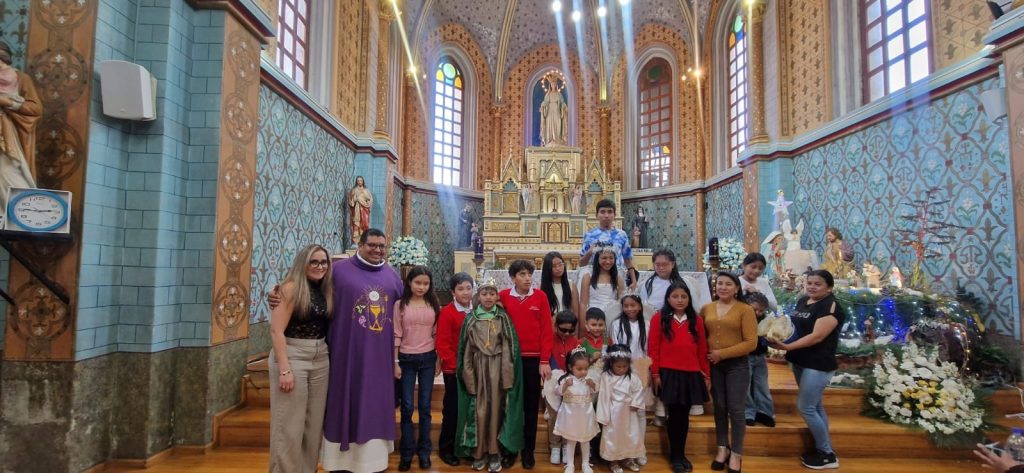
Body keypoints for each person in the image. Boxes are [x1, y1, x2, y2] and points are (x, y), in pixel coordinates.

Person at [269, 229, 403, 473]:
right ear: (360, 245)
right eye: (372, 245)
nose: (377, 250)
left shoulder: (392, 275)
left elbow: (405, 306)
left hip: (365, 359)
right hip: (340, 355)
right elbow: (301, 287)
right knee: (291, 424)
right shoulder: (338, 271)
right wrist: (275, 293)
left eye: (382, 246)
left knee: (312, 423)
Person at [769, 270, 845, 470]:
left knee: (806, 407)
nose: (812, 286)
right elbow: (796, 327)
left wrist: (787, 347)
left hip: (817, 363)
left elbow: (817, 336)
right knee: (816, 406)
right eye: (809, 282)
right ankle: (822, 448)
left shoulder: (830, 305)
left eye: (817, 284)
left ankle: (827, 454)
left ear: (829, 287)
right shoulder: (804, 300)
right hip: (800, 360)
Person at [268, 244, 333, 473]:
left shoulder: (325, 288)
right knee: (289, 424)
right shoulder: (290, 288)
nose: (319, 266)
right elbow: (276, 331)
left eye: (323, 262)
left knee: (313, 426)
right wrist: (285, 369)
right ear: (302, 263)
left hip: (320, 357)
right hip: (293, 355)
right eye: (313, 262)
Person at [456, 278, 525, 473]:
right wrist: (469, 377)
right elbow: (465, 350)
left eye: (492, 294)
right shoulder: (471, 319)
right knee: (480, 411)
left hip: (498, 370)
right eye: (484, 293)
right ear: (478, 296)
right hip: (478, 369)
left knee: (496, 410)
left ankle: (494, 452)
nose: (488, 297)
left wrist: (507, 376)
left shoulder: (502, 318)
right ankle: (479, 452)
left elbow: (509, 347)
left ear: (497, 296)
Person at [649, 282, 710, 473]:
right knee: (674, 415)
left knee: (683, 416)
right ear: (668, 299)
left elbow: (702, 348)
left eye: (684, 296)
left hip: (691, 373)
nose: (680, 300)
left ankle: (681, 453)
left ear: (689, 299)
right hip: (668, 372)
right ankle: (675, 455)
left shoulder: (696, 320)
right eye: (675, 296)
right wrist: (655, 373)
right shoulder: (659, 318)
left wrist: (706, 373)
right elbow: (653, 347)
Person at [499, 260, 553, 469]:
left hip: (533, 359)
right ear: (513, 278)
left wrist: (544, 360)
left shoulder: (540, 297)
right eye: (522, 274)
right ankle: (510, 449)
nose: (528, 278)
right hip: (510, 359)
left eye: (530, 274)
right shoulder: (503, 296)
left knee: (531, 407)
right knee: (512, 405)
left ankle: (528, 451)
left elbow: (546, 330)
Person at [700, 272, 757, 473]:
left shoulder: (745, 310)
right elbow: (701, 336)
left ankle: (737, 453)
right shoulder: (706, 308)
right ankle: (722, 448)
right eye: (720, 284)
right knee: (720, 407)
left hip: (737, 365)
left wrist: (722, 354)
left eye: (728, 284)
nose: (723, 287)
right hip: (713, 366)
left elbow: (751, 343)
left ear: (736, 288)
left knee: (736, 409)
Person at [393, 266, 441, 471]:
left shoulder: (433, 303)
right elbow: (396, 333)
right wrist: (395, 362)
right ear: (409, 283)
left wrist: (438, 359)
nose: (421, 287)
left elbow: (437, 333)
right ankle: (406, 453)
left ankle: (424, 452)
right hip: (406, 358)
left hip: (428, 358)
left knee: (424, 407)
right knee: (406, 407)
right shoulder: (400, 304)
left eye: (426, 283)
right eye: (418, 283)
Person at [436, 272, 474, 467]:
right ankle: (446, 448)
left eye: (468, 288)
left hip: (474, 370)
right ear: (453, 292)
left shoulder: (477, 310)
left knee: (470, 410)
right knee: (452, 410)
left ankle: (465, 447)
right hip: (455, 371)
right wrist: (455, 366)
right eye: (460, 289)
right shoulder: (448, 312)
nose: (465, 292)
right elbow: (442, 344)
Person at [0, 40, 41, 207]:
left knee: (8, 172)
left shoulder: (20, 78)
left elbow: (35, 108)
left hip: (5, 133)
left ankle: (22, 211)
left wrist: (8, 102)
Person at [596, 344, 646, 473]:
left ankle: (628, 459)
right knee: (614, 437)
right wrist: (604, 416)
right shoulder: (606, 376)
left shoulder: (632, 377)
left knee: (630, 435)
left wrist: (636, 403)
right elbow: (604, 395)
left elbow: (638, 390)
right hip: (613, 412)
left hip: (629, 412)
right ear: (611, 364)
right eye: (618, 366)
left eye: (625, 366)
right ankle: (614, 461)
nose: (622, 369)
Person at [553, 348, 600, 473]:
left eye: (586, 369)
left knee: (585, 441)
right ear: (570, 367)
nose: (583, 372)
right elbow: (558, 391)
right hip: (571, 416)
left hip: (585, 416)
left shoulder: (588, 379)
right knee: (571, 440)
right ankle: (570, 464)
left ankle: (585, 464)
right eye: (579, 369)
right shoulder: (566, 380)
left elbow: (596, 390)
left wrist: (592, 384)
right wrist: (565, 385)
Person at [547, 310, 580, 465]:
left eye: (570, 331)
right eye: (563, 330)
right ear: (555, 325)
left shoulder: (576, 342)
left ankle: (567, 445)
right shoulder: (549, 339)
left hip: (570, 383)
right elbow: (546, 357)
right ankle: (555, 446)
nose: (567, 333)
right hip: (552, 381)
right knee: (554, 415)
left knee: (569, 415)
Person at [579, 199, 636, 288]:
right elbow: (581, 263)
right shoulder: (590, 235)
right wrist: (590, 252)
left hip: (618, 278)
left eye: (610, 212)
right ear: (596, 215)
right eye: (602, 212)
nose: (606, 215)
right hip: (595, 280)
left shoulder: (622, 235)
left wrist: (634, 280)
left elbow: (627, 260)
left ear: (614, 215)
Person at [742, 292, 775, 428]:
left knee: (762, 385)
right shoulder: (742, 317)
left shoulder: (764, 319)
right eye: (754, 309)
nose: (758, 313)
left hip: (760, 356)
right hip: (745, 356)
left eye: (761, 311)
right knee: (745, 386)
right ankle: (748, 413)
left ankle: (765, 412)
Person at [580, 247, 624, 313]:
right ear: (597, 259)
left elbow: (621, 301)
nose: (608, 262)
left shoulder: (617, 278)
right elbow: (583, 303)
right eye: (604, 258)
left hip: (612, 314)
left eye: (611, 258)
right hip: (593, 314)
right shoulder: (588, 277)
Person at [348, 176, 373, 245]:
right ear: (356, 181)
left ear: (363, 181)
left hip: (364, 210)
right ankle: (356, 241)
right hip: (356, 210)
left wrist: (366, 203)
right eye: (358, 180)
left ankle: (364, 240)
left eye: (361, 180)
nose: (359, 182)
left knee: (365, 224)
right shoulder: (354, 190)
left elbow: (370, 199)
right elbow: (351, 201)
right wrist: (355, 199)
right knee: (356, 224)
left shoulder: (366, 190)